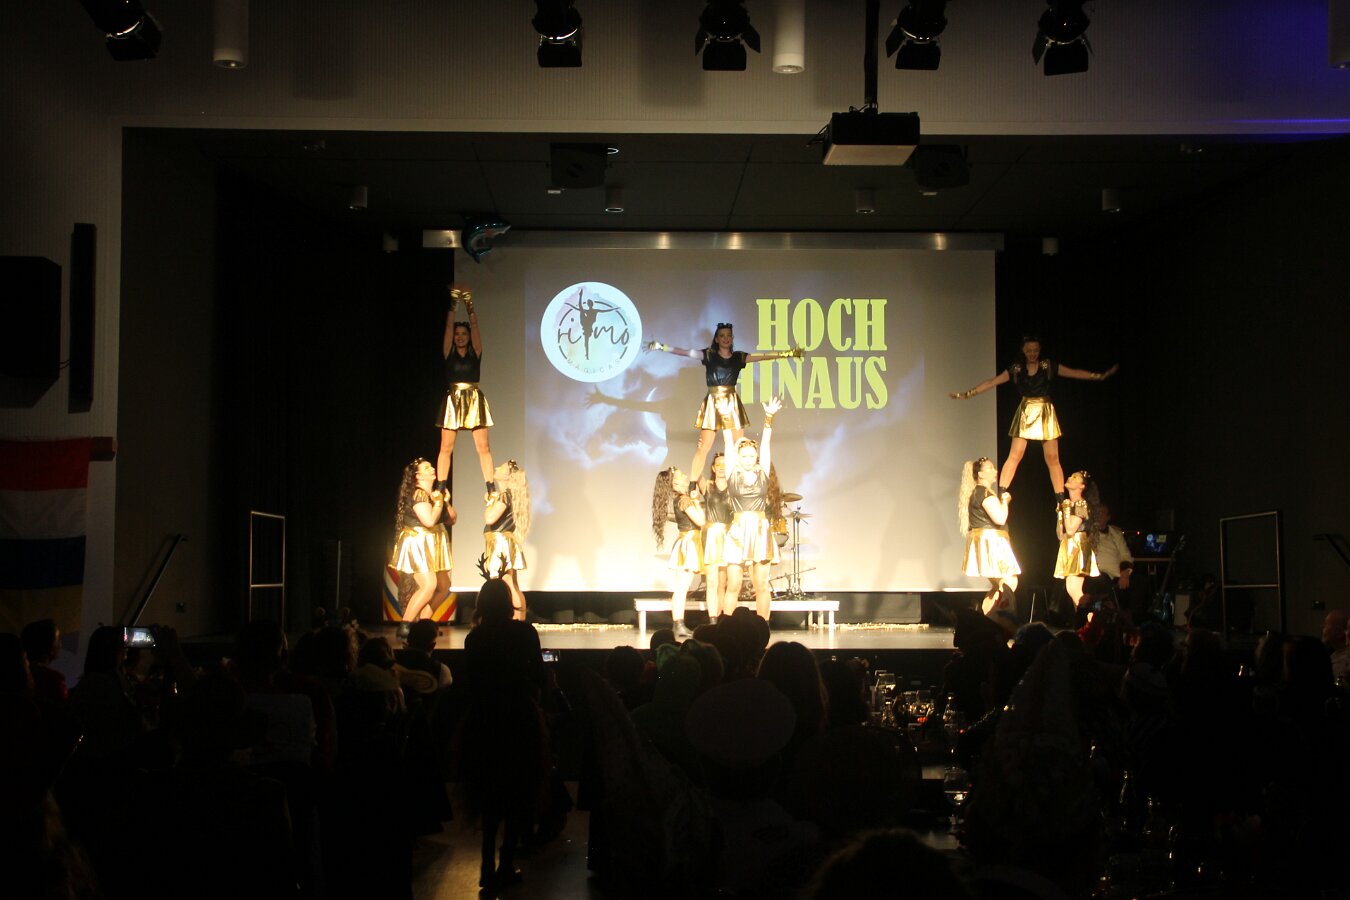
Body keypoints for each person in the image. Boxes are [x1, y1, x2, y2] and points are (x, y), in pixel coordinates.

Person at [949, 335, 1118, 494]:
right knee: (1015, 455)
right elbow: (993, 381)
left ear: (1039, 350)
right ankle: (1001, 494)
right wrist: (968, 394)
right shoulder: (1017, 369)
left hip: (1045, 410)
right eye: (1029, 350)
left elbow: (1073, 372)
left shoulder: (1047, 366)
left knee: (1052, 458)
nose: (1032, 354)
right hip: (1026, 410)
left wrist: (1098, 376)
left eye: (1035, 350)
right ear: (1023, 350)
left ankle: (1060, 501)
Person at [646, 322, 801, 481]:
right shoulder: (708, 355)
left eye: (728, 336)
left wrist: (788, 354)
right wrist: (662, 347)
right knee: (703, 447)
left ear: (732, 338)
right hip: (713, 402)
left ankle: (741, 483)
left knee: (739, 445)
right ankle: (693, 485)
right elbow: (686, 352)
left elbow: (762, 356)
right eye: (722, 336)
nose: (725, 339)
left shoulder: (738, 357)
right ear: (717, 339)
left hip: (732, 402)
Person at [719, 395, 783, 621]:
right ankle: (726, 626)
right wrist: (725, 416)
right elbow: (728, 444)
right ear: (738, 457)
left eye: (751, 456)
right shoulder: (732, 472)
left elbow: (766, 445)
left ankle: (762, 626)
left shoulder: (762, 472)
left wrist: (769, 417)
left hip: (759, 529)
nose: (747, 459)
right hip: (738, 530)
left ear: (756, 457)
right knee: (733, 584)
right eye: (743, 455)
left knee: (761, 584)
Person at [435, 282, 497, 494]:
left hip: (473, 398)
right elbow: (448, 327)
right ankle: (440, 487)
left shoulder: (475, 352)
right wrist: (454, 304)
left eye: (463, 333)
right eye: (457, 334)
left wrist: (469, 305)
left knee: (483, 447)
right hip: (453, 399)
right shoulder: (448, 352)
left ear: (469, 337)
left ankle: (491, 488)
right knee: (446, 447)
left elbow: (476, 327)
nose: (460, 336)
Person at [390, 458, 456, 637]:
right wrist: (439, 502)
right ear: (417, 476)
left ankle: (424, 624)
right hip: (418, 542)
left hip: (431, 543)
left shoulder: (433, 494)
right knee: (428, 585)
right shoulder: (418, 494)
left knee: (444, 586)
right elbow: (429, 521)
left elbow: (452, 519)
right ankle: (406, 625)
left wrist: (444, 501)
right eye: (427, 468)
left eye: (431, 466)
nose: (432, 468)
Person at [958, 457, 1020, 614]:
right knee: (1010, 581)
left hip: (987, 541)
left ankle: (986, 617)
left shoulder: (979, 493)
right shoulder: (984, 493)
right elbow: (1000, 519)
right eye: (991, 468)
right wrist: (1005, 501)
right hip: (992, 542)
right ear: (980, 474)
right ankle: (995, 616)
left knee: (998, 585)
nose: (995, 471)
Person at [651, 467, 706, 639]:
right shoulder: (683, 500)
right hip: (689, 543)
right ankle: (678, 624)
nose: (685, 475)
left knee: (683, 586)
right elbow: (701, 521)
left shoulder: (682, 499)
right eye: (681, 475)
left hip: (689, 541)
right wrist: (695, 501)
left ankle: (679, 624)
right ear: (675, 483)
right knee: (682, 586)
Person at [483, 459, 531, 620]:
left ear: (507, 477)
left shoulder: (504, 496)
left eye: (501, 468)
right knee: (513, 583)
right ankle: (520, 620)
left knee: (508, 582)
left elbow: (490, 518)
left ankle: (517, 619)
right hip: (505, 539)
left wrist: (490, 503)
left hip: (500, 542)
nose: (496, 468)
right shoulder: (510, 495)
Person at [1054, 470, 1100, 609]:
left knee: (1073, 588)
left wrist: (1066, 509)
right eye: (1071, 476)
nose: (1070, 478)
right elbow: (1061, 534)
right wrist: (1061, 514)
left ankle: (1090, 619)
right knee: (1073, 589)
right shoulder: (1069, 504)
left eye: (1075, 477)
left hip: (1078, 546)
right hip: (1068, 545)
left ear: (1082, 486)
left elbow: (1071, 529)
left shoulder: (1081, 504)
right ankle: (1084, 619)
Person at [700, 453, 736, 620]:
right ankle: (712, 619)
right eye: (718, 465)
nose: (722, 468)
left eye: (725, 464)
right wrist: (702, 450)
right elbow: (696, 470)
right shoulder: (707, 486)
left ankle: (723, 618)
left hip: (729, 534)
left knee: (724, 581)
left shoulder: (734, 488)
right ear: (713, 468)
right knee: (712, 581)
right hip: (712, 535)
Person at [1087, 502, 1134, 605]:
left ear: (1108, 517)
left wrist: (1125, 574)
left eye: (1102, 513)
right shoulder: (1088, 533)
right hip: (1099, 576)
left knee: (1140, 582)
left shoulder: (1116, 533)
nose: (1098, 515)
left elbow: (1125, 555)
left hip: (1118, 575)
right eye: (1097, 513)